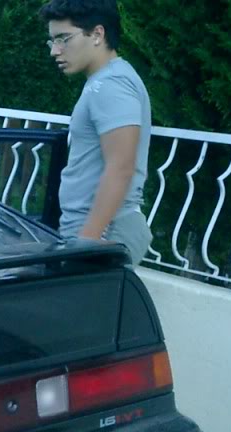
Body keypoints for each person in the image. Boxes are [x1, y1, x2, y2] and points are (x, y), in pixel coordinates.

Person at [40, 0, 153, 264]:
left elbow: (121, 166)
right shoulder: (103, 82)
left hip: (100, 233)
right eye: (52, 41)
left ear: (97, 34)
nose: (54, 51)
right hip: (91, 231)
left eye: (63, 39)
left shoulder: (111, 85)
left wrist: (88, 240)